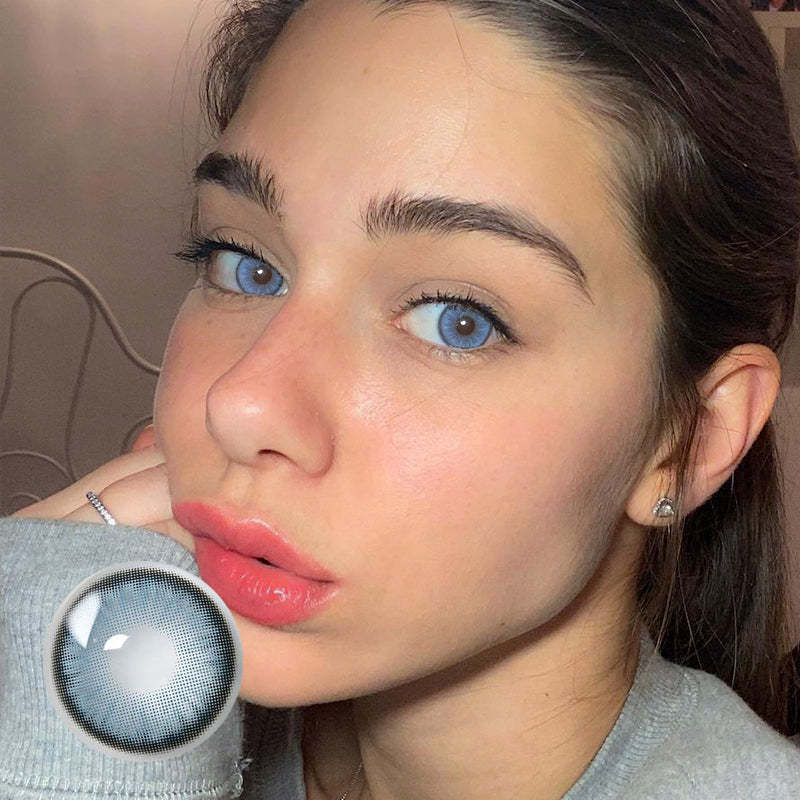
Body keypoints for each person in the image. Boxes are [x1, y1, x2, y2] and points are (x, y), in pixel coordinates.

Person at [3, 0, 800, 797]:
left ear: (690, 438)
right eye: (244, 263)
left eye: (457, 320)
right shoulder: (135, 685)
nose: (241, 405)